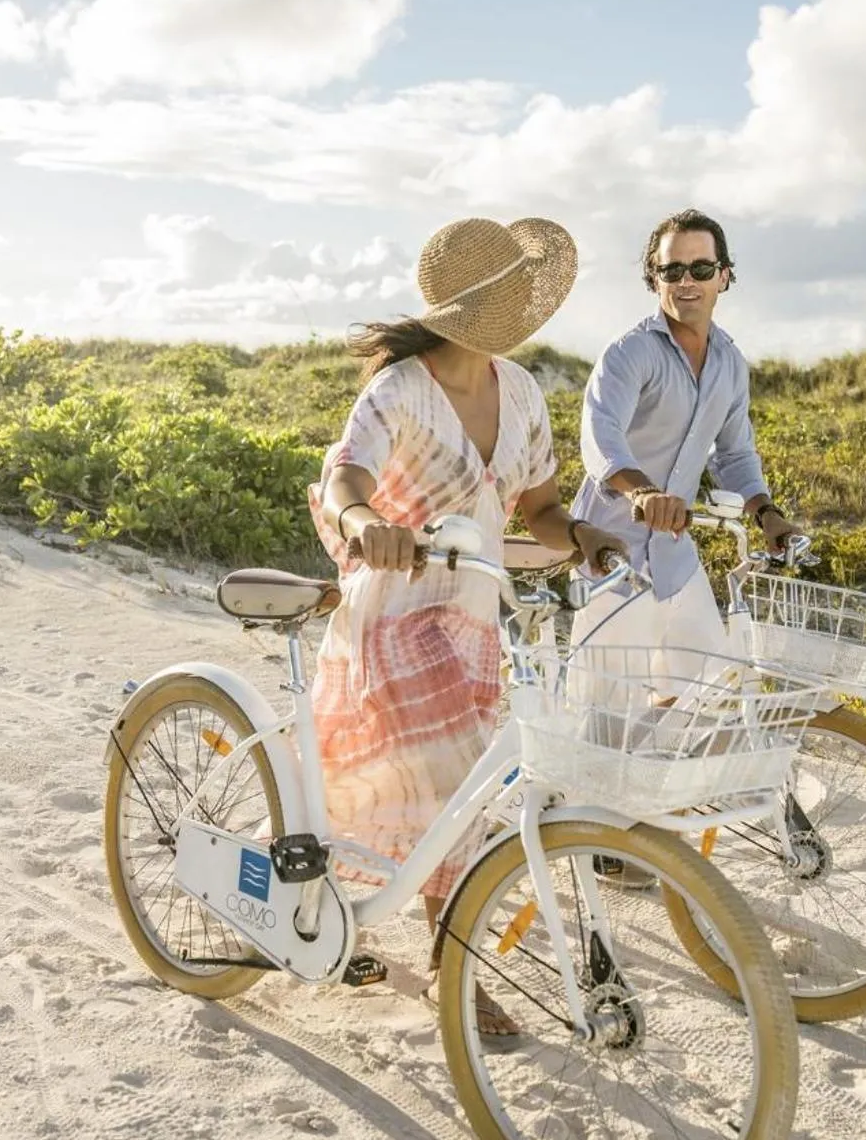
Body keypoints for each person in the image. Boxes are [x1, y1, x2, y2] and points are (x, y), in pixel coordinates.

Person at [309, 216, 625, 1037]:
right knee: (457, 786)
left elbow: (543, 508)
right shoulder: (400, 389)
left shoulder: (519, 391)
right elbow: (347, 475)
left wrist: (580, 535)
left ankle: (412, 931)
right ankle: (455, 971)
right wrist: (361, 521)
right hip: (398, 619)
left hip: (480, 621)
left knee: (470, 797)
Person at [567, 207, 799, 666]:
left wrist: (767, 514)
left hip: (675, 555)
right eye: (672, 269)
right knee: (606, 720)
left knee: (708, 693)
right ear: (655, 280)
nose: (686, 280)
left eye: (701, 268)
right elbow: (601, 433)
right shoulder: (628, 353)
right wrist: (644, 491)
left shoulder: (731, 363)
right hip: (610, 554)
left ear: (724, 277)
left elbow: (734, 454)